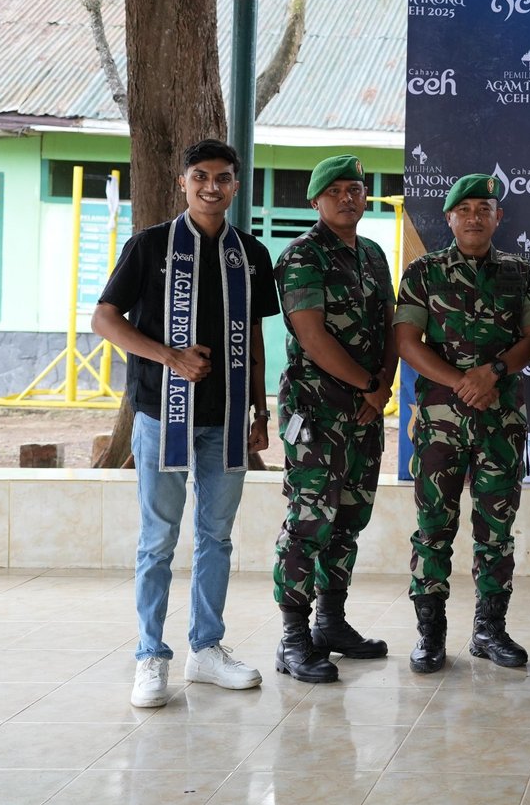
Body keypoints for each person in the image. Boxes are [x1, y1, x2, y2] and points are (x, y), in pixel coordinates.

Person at [92, 138, 278, 709]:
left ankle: (206, 649)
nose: (210, 187)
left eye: (222, 178)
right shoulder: (150, 246)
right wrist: (169, 356)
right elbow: (104, 319)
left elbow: (254, 336)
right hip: (160, 415)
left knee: (216, 537)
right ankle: (151, 654)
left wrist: (260, 410)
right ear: (183, 182)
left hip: (228, 418)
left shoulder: (251, 253)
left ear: (235, 186)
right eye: (200, 176)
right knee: (158, 540)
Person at [395, 173, 530, 674]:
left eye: (485, 208)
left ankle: (489, 630)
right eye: (465, 209)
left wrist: (493, 372)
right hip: (441, 422)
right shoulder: (423, 272)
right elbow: (407, 341)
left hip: (501, 421)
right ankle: (430, 634)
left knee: (496, 530)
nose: (475, 217)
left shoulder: (520, 273)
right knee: (433, 528)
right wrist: (463, 381)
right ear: (449, 218)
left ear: (499, 217)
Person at [270, 155, 398, 683]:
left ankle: (331, 624)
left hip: (365, 411)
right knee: (309, 522)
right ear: (316, 201)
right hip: (317, 412)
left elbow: (392, 327)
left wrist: (382, 387)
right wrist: (369, 385)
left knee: (348, 520)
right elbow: (312, 336)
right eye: (336, 190)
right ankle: (293, 638)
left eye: (356, 189)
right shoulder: (302, 255)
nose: (348, 198)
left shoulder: (373, 254)